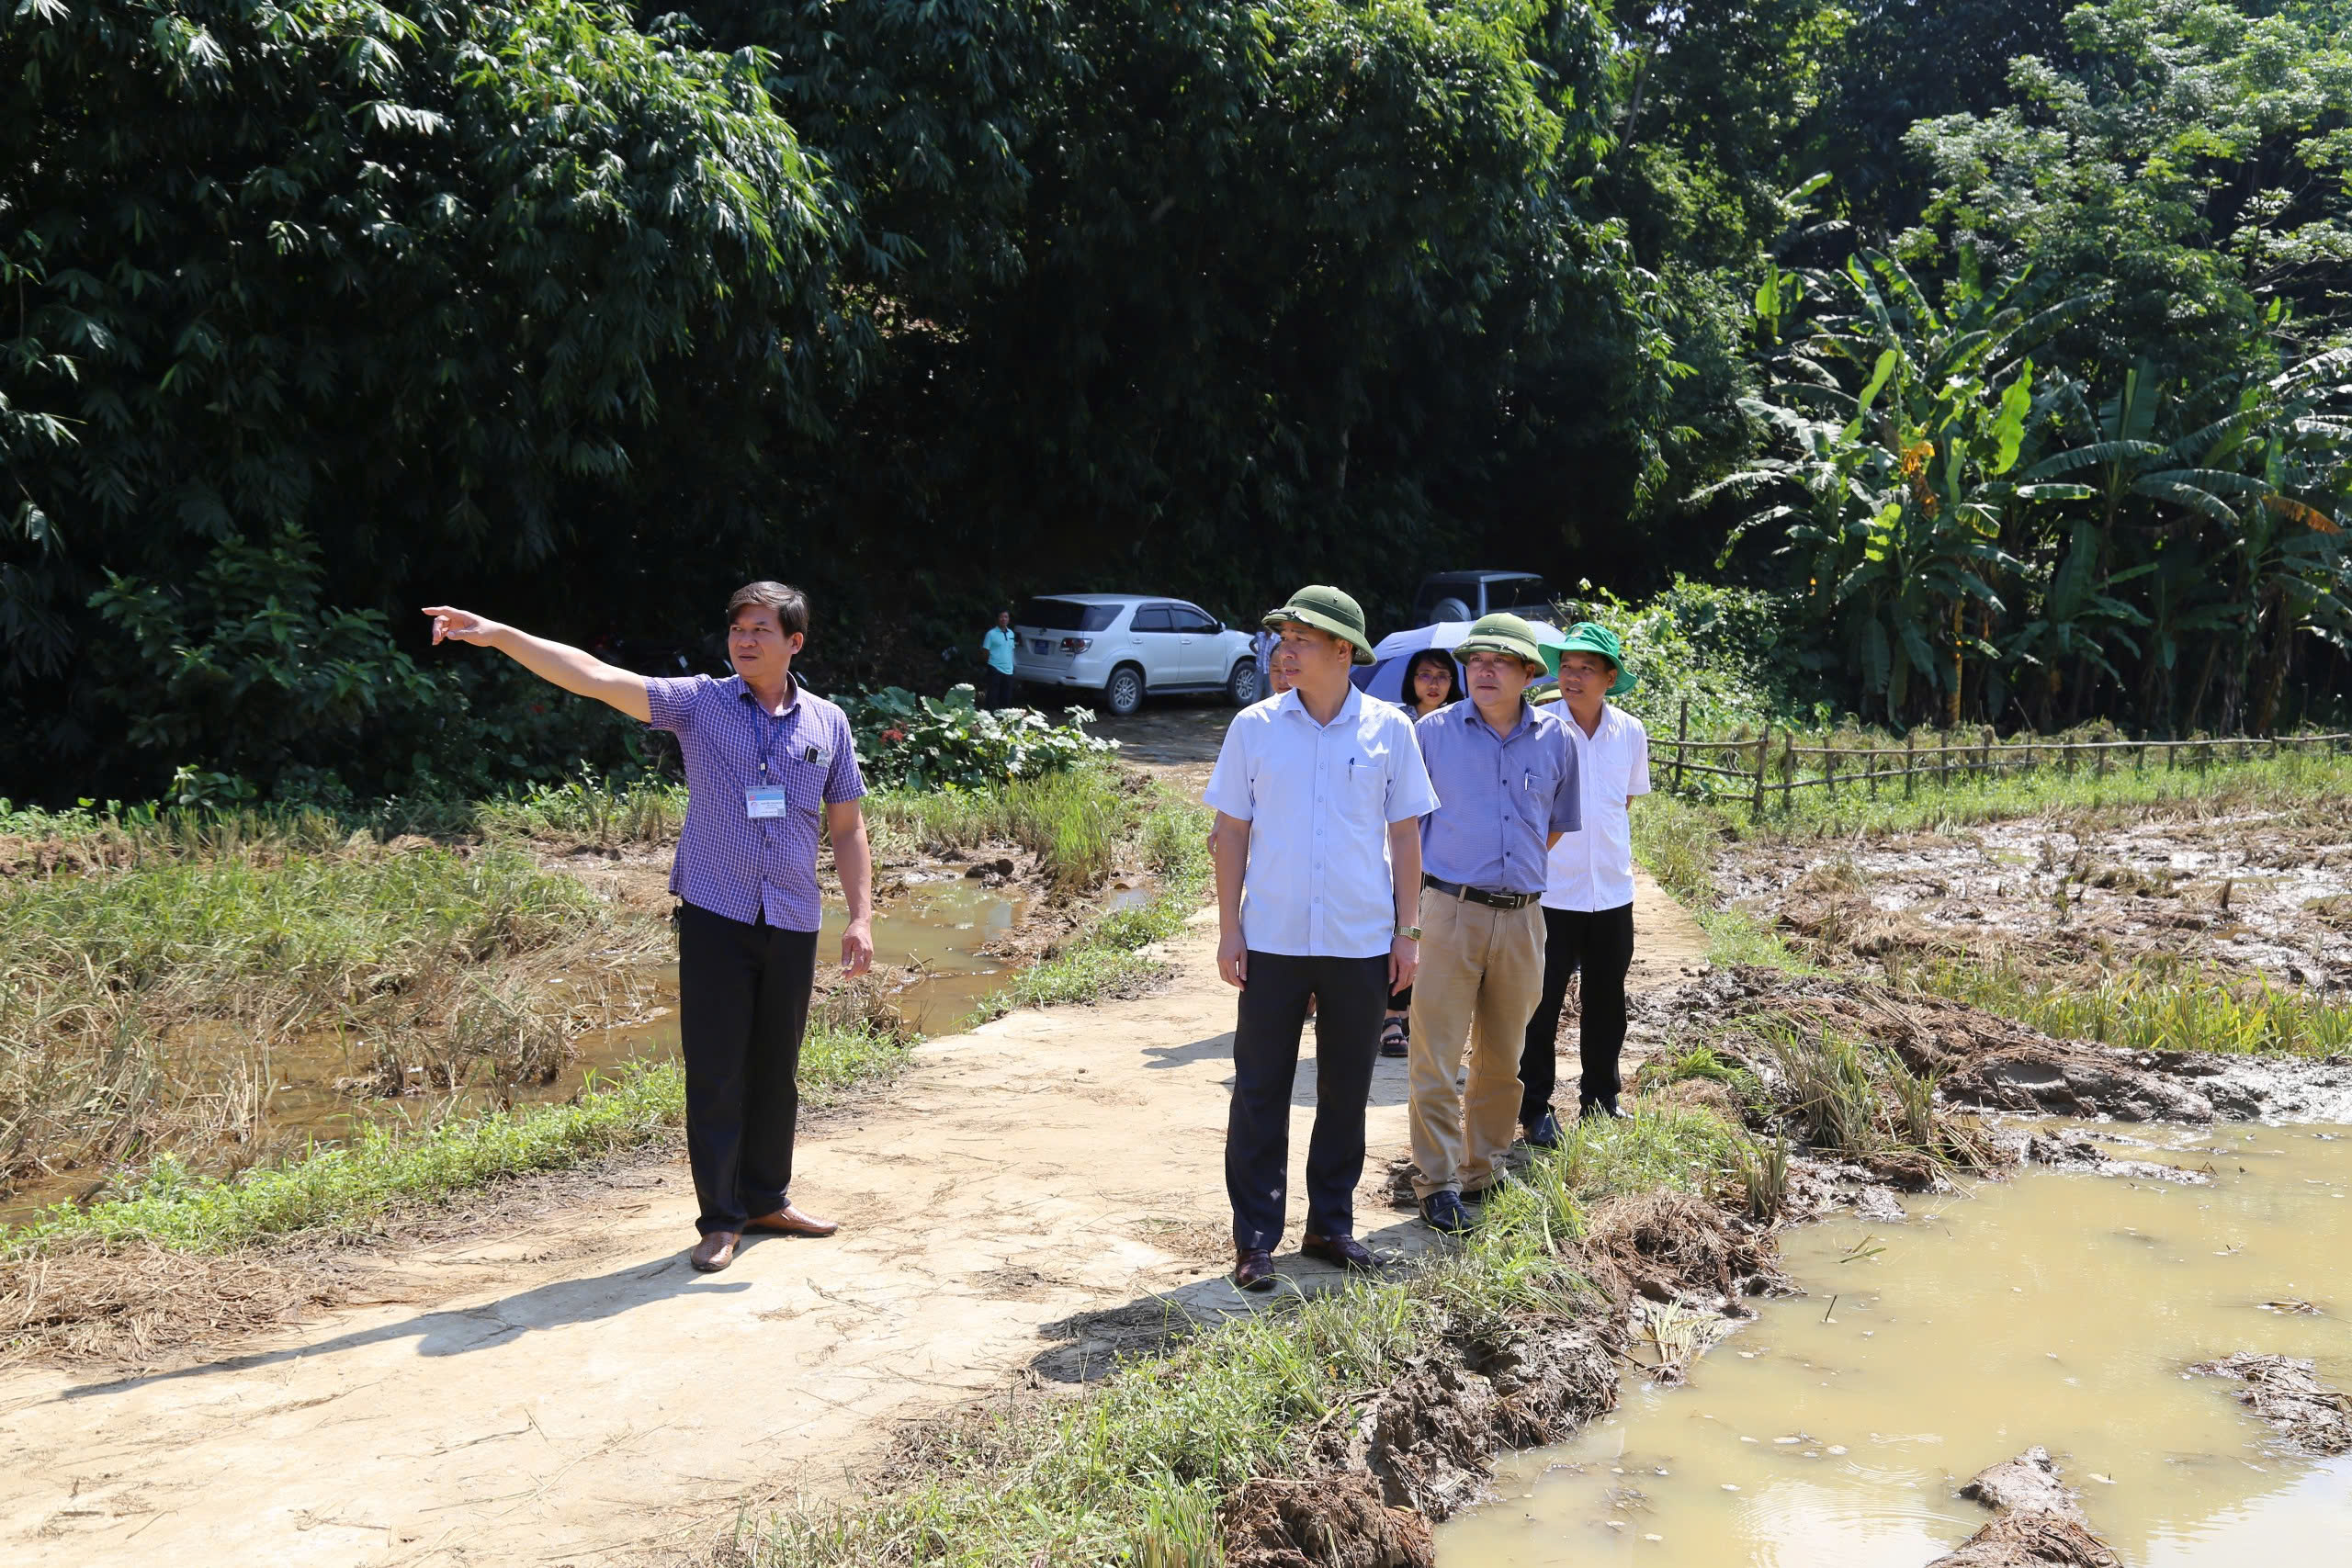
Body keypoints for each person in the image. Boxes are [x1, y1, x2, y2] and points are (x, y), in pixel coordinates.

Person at [422, 584, 875, 1274]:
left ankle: (766, 1199)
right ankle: (721, 1219)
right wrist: (499, 634)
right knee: (718, 1068)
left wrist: (862, 916)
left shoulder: (827, 724)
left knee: (776, 1069)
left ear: (794, 643)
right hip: (716, 912)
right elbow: (596, 677)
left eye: (760, 629)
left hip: (790, 914)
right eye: (736, 629)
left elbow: (847, 825)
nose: (744, 640)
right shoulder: (700, 703)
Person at [1204, 586, 1437, 1291]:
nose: (1285, 648)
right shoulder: (1255, 726)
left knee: (1346, 1088)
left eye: (1301, 637)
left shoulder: (1389, 729)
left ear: (1344, 651)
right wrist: (1228, 928)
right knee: (1261, 1088)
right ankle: (1255, 1239)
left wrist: (1408, 933)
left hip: (1360, 939)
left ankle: (1330, 1224)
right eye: (1282, 636)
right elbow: (1231, 833)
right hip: (1272, 936)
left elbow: (1405, 835)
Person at [1406, 613, 1580, 1235]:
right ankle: (1437, 1181)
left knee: (1504, 1057)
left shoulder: (1557, 741)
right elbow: (1403, 828)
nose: (1482, 670)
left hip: (1525, 916)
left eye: (1500, 661)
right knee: (1437, 1052)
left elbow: (1553, 825)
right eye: (1475, 659)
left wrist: (1514, 878)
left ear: (1530, 674)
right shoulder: (1433, 734)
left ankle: (1483, 1168)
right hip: (1448, 910)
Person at [1520, 623, 1649, 1139]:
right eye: (1566, 667)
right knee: (1541, 1004)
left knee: (1607, 1000)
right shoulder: (1539, 728)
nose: (1571, 677)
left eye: (1585, 669)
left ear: (1609, 678)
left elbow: (1625, 801)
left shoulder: (1630, 732)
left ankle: (1602, 1096)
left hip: (1613, 889)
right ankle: (1535, 1107)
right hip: (1551, 890)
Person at [1380, 649, 1465, 1059]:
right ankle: (1392, 1013)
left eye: (1443, 676)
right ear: (1410, 680)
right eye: (1424, 675)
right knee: (1403, 921)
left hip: (1450, 838)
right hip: (1402, 832)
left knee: (1438, 931)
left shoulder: (1467, 724)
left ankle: (1418, 1012)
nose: (1433, 684)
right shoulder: (1395, 722)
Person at [981, 608, 1020, 709]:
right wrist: (990, 664)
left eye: (1006, 617)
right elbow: (985, 651)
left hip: (1008, 669)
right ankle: (990, 716)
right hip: (995, 667)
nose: (1003, 619)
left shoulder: (1011, 633)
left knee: (1006, 696)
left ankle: (1003, 719)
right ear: (998, 619)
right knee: (992, 695)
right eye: (1001, 617)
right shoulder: (991, 634)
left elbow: (1011, 650)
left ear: (1009, 619)